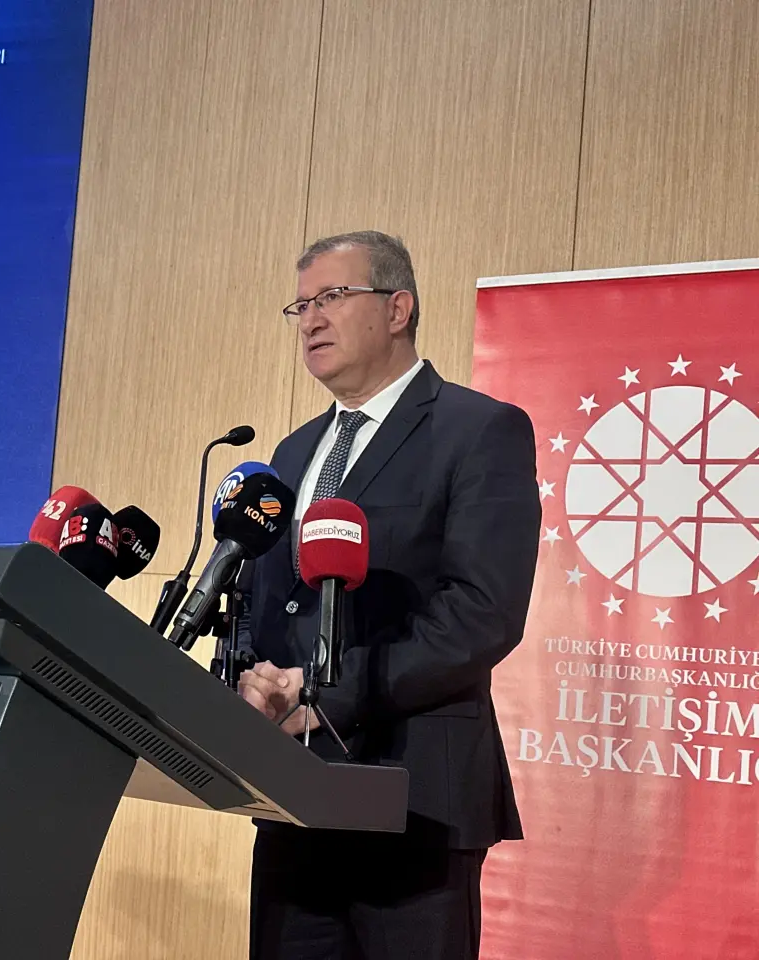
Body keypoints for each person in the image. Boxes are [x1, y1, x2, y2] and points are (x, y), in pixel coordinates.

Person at [237, 231, 541, 960]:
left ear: (398, 308)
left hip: (416, 799)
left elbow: (482, 613)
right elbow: (264, 597)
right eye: (301, 305)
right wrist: (257, 681)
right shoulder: (293, 453)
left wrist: (324, 695)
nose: (310, 320)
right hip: (293, 795)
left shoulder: (480, 431)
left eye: (332, 297)